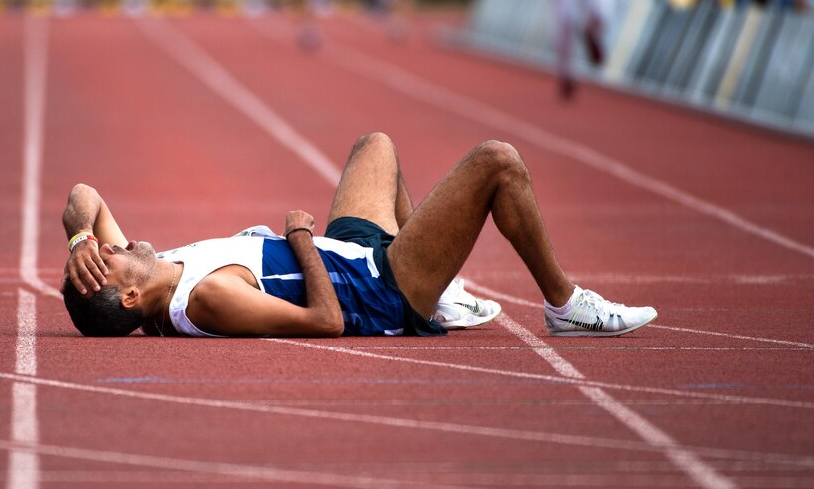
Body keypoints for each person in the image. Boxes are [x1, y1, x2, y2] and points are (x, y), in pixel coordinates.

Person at [61, 133, 658, 339]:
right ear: (131, 298)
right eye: (107, 262)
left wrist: (80, 240)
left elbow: (84, 194)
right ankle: (565, 305)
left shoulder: (156, 266)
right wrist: (296, 238)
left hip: (350, 253)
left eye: (103, 251)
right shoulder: (204, 299)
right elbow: (326, 323)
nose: (113, 248)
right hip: (379, 289)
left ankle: (445, 291)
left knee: (376, 146)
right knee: (497, 162)